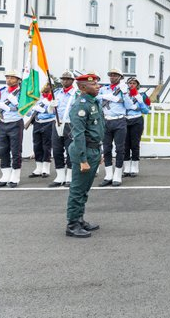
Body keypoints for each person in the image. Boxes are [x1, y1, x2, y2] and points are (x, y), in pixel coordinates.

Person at [65, 72, 104, 238]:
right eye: (93, 84)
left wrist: (99, 152)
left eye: (97, 83)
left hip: (93, 150)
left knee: (84, 189)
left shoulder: (93, 102)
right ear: (82, 87)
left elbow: (97, 130)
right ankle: (72, 224)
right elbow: (79, 134)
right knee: (77, 189)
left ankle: (80, 219)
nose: (98, 86)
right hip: (84, 151)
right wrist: (83, 159)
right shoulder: (81, 105)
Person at [98, 68, 135, 187]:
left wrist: (124, 94)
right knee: (107, 149)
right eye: (111, 75)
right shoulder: (104, 89)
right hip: (106, 120)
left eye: (115, 75)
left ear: (120, 77)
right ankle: (108, 175)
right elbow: (97, 98)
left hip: (119, 120)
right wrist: (110, 97)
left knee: (120, 149)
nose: (112, 77)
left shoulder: (124, 89)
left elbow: (130, 106)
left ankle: (117, 175)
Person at [0, 70, 22, 188]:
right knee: (3, 150)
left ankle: (15, 176)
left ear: (18, 80)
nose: (9, 79)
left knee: (15, 151)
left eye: (12, 78)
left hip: (15, 122)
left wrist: (13, 107)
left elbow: (24, 109)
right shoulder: (1, 90)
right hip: (3, 123)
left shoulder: (22, 92)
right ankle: (5, 175)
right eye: (7, 77)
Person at [50, 71, 77, 187]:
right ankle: (60, 176)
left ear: (72, 81)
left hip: (70, 124)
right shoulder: (56, 93)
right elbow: (50, 111)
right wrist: (51, 105)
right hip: (57, 123)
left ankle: (69, 176)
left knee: (70, 151)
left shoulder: (76, 94)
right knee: (56, 150)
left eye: (67, 79)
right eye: (63, 79)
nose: (64, 81)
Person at [122, 77, 150, 178]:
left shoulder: (142, 95)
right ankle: (126, 167)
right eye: (130, 83)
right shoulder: (123, 95)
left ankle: (134, 167)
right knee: (125, 145)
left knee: (135, 144)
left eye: (134, 83)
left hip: (136, 120)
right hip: (125, 120)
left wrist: (140, 103)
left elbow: (147, 111)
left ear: (137, 85)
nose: (131, 85)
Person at [27, 83, 56, 179]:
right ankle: (38, 168)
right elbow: (28, 112)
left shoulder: (54, 96)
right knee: (37, 145)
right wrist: (33, 109)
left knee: (46, 146)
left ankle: (45, 168)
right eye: (45, 84)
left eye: (49, 85)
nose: (46, 86)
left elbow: (56, 111)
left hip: (48, 122)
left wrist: (46, 109)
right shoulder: (37, 97)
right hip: (37, 122)